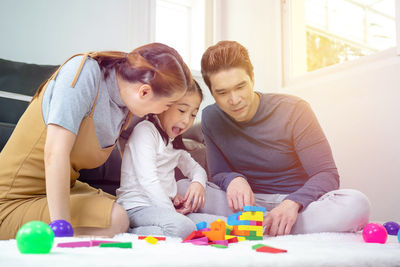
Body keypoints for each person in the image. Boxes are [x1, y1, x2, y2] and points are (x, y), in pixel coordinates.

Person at [0, 43, 193, 239]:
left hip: (64, 189)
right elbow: (54, 154)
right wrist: (61, 226)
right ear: (144, 92)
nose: (163, 111)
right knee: (116, 218)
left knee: (126, 210)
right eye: (167, 104)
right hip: (13, 199)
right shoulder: (83, 74)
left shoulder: (126, 104)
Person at [177, 40, 371, 236]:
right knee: (183, 189)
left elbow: (326, 174)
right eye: (222, 92)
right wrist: (233, 179)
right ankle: (273, 227)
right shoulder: (212, 117)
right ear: (212, 92)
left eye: (240, 87)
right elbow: (218, 172)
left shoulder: (295, 109)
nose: (234, 100)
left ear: (252, 78)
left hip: (298, 204)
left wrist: (292, 203)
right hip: (247, 205)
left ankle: (254, 226)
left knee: (357, 204)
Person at [116, 81, 222, 239]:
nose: (187, 120)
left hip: (164, 210)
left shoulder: (174, 143)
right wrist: (172, 213)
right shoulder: (146, 131)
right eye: (182, 110)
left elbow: (197, 170)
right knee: (182, 228)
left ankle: (175, 226)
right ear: (164, 106)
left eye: (193, 114)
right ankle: (128, 232)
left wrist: (198, 183)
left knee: (218, 224)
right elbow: (148, 181)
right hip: (136, 208)